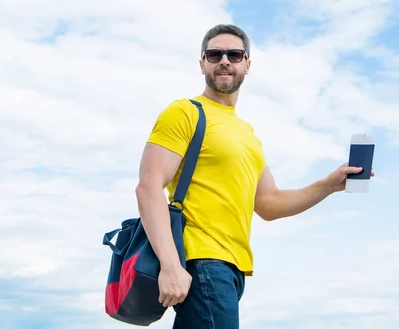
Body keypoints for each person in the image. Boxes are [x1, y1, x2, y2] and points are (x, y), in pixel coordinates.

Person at [134, 24, 374, 328]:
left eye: (234, 55)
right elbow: (148, 188)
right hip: (203, 261)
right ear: (202, 63)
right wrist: (170, 265)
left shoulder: (248, 135)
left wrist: (328, 185)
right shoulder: (185, 112)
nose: (224, 60)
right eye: (214, 54)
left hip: (234, 270)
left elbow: (269, 203)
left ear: (247, 64)